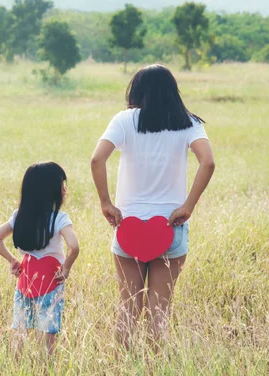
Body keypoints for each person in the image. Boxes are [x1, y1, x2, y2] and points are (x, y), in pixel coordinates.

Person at [90, 64, 215, 350]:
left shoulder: (124, 120)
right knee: (159, 312)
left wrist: (106, 203)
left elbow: (97, 159)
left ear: (137, 90)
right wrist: (188, 206)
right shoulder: (188, 122)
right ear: (173, 92)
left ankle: (120, 373)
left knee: (128, 307)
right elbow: (207, 162)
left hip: (128, 226)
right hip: (171, 226)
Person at [0, 161, 80, 358]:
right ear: (51, 191)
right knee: (47, 335)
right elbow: (74, 246)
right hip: (52, 284)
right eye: (61, 185)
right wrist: (66, 268)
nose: (65, 189)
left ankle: (17, 372)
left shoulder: (19, 216)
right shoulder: (59, 218)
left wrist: (13, 260)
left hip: (25, 283)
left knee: (20, 331)